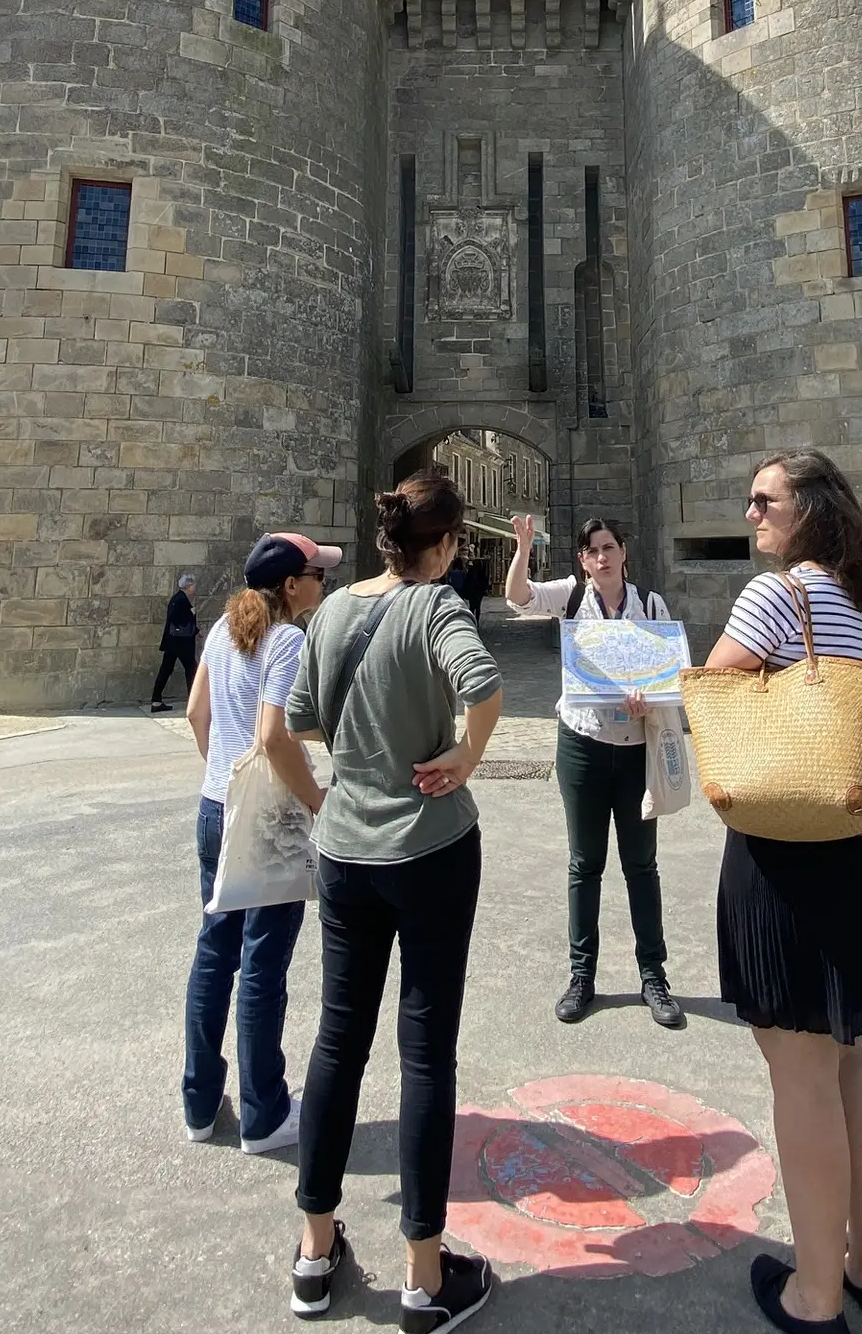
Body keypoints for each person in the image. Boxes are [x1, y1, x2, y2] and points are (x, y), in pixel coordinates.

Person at [269, 468, 503, 1332]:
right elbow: (484, 684)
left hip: (343, 850)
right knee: (425, 1054)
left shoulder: (331, 611)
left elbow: (300, 719)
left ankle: (314, 1252)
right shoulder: (436, 605)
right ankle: (424, 1276)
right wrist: (465, 755)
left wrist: (359, 750)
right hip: (429, 848)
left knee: (338, 1043)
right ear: (443, 546)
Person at [704, 449, 862, 1334]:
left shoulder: (777, 595)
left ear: (810, 510)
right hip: (852, 842)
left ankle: (815, 1295)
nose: (750, 515)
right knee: (850, 1062)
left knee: (800, 1076)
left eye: (764, 501)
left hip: (784, 854)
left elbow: (712, 692)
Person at [181, 532, 339, 1153]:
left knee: (214, 953)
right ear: (291, 586)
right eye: (318, 575)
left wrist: (224, 775)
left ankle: (199, 1106)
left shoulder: (224, 630)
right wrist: (316, 800)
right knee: (263, 965)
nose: (323, 584)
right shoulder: (288, 640)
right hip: (266, 817)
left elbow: (197, 712)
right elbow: (275, 737)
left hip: (214, 806)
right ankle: (264, 1114)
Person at [504, 513, 683, 1030]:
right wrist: (523, 547)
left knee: (641, 865)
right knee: (585, 865)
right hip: (581, 745)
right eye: (592, 551)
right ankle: (581, 976)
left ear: (624, 552)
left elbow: (668, 673)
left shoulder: (651, 605)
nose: (601, 558)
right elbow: (518, 597)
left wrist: (651, 697)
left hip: (634, 751)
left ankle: (653, 976)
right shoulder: (571, 596)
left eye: (609, 547)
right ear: (582, 560)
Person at [152, 572, 199, 713]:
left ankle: (156, 701)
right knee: (191, 670)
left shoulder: (177, 598)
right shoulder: (181, 600)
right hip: (182, 642)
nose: (195, 587)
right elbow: (182, 620)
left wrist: (196, 630)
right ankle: (194, 702)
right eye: (194, 585)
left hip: (172, 642)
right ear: (189, 585)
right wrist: (192, 616)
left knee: (166, 670)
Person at [462, 553, 489, 625]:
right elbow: (485, 581)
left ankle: (474, 620)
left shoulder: (473, 572)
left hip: (474, 591)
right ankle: (475, 620)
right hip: (477, 592)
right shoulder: (480, 572)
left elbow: (467, 581)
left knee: (473, 606)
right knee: (476, 606)